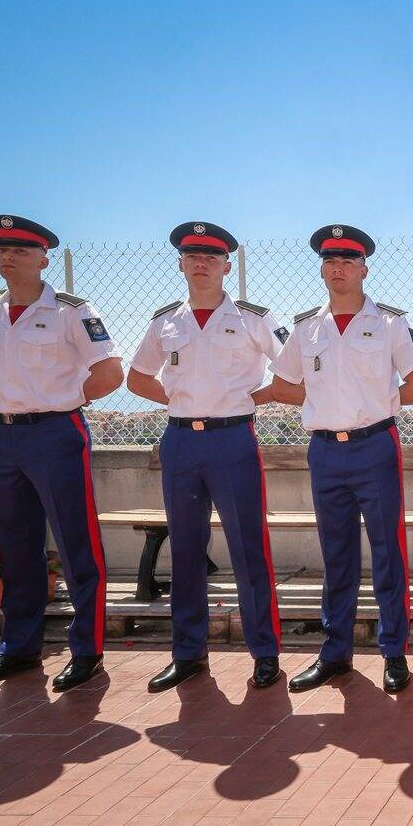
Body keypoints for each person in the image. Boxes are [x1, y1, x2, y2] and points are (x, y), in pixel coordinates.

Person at [0, 215, 124, 692]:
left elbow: (110, 372)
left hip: (56, 433)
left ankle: (87, 651)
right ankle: (19, 648)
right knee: (16, 545)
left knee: (77, 543)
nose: (8, 256)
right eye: (1, 248)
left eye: (21, 249)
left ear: (43, 257)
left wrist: (62, 401)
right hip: (4, 435)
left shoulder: (72, 310)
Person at [268, 225, 413, 693]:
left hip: (375, 446)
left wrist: (374, 400)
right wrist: (322, 399)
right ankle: (334, 652)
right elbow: (282, 385)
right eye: (330, 261)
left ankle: (394, 653)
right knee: (335, 555)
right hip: (324, 451)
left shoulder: (391, 323)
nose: (338, 269)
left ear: (364, 268)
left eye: (347, 261)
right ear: (322, 268)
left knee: (387, 553)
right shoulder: (305, 328)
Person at [127, 221, 285, 692]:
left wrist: (246, 401)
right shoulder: (164, 322)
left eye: (211, 257)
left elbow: (293, 369)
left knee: (247, 549)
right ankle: (188, 653)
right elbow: (136, 378)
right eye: (193, 256)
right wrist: (180, 404)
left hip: (232, 441)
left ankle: (265, 653)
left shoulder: (255, 318)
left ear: (226, 266)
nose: (201, 264)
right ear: (180, 263)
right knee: (186, 551)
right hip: (180, 442)